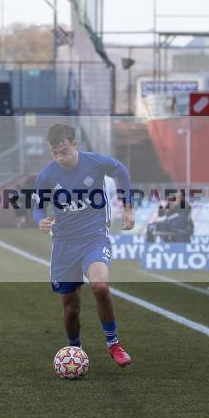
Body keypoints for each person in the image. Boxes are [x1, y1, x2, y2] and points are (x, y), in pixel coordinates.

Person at [32, 123, 134, 367]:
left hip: (94, 236)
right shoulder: (47, 175)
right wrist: (41, 221)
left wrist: (128, 209)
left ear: (75, 144)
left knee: (100, 287)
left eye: (64, 151)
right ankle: (75, 350)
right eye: (54, 153)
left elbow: (123, 172)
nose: (60, 157)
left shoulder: (95, 162)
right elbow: (37, 207)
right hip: (64, 243)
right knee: (71, 309)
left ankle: (114, 344)